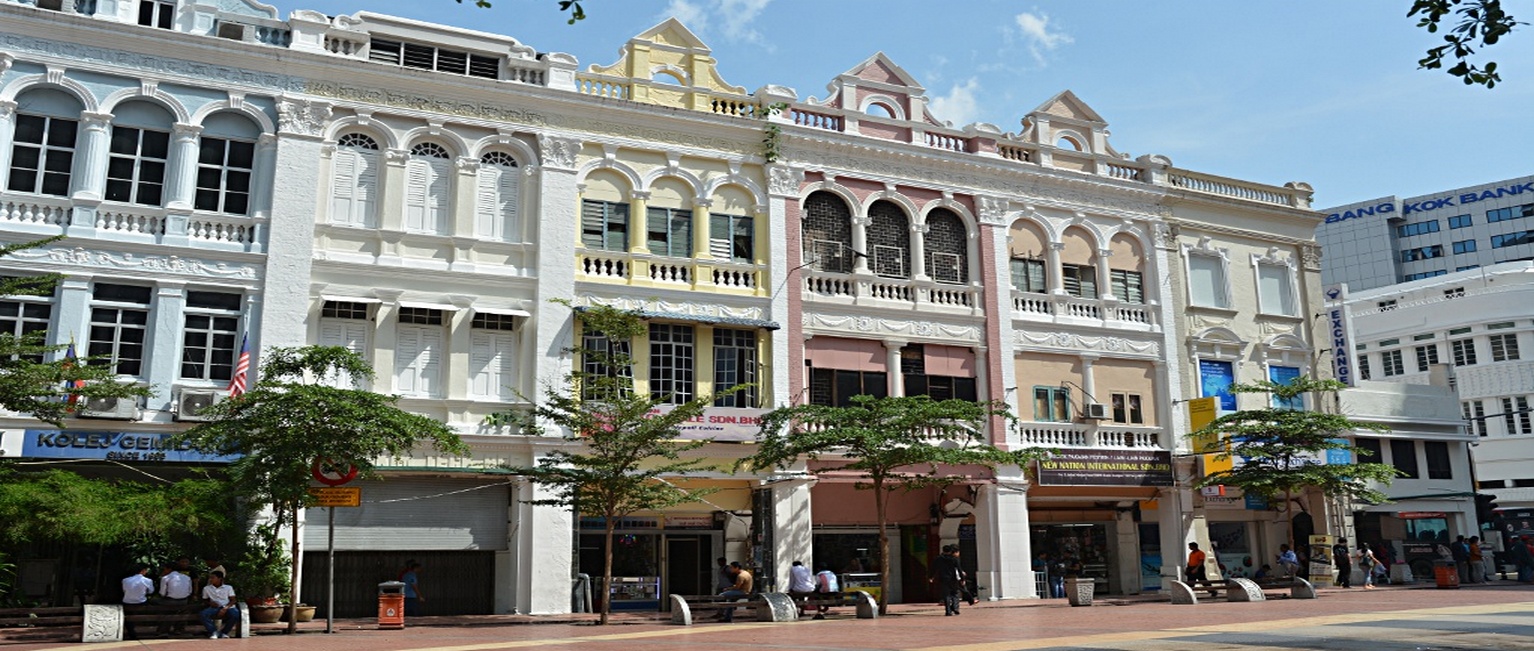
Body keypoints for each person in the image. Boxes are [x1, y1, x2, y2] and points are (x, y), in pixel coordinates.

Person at [157, 561, 195, 636]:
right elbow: (190, 591)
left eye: (165, 569)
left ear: (169, 569)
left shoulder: (165, 578)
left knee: (166, 612)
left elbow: (162, 593)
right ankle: (179, 629)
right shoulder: (187, 577)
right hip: (184, 601)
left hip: (170, 601)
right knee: (182, 612)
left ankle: (163, 630)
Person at [199, 570, 240, 639]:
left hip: (227, 606)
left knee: (235, 614)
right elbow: (205, 600)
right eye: (210, 578)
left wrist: (225, 608)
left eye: (213, 578)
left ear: (220, 579)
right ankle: (213, 631)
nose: (210, 579)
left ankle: (224, 632)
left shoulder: (228, 587)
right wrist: (210, 603)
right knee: (203, 614)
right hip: (215, 607)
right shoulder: (207, 588)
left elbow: (233, 600)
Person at [121, 564, 155, 641]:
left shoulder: (125, 580)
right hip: (140, 602)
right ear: (143, 571)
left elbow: (124, 591)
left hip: (127, 602)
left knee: (128, 616)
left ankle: (131, 632)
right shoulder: (147, 580)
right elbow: (151, 591)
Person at [930, 544, 965, 616]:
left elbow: (934, 568)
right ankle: (955, 608)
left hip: (943, 579)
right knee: (955, 594)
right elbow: (959, 569)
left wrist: (931, 577)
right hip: (953, 579)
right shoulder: (954, 559)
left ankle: (948, 611)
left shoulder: (938, 559)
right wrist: (962, 579)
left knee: (946, 595)